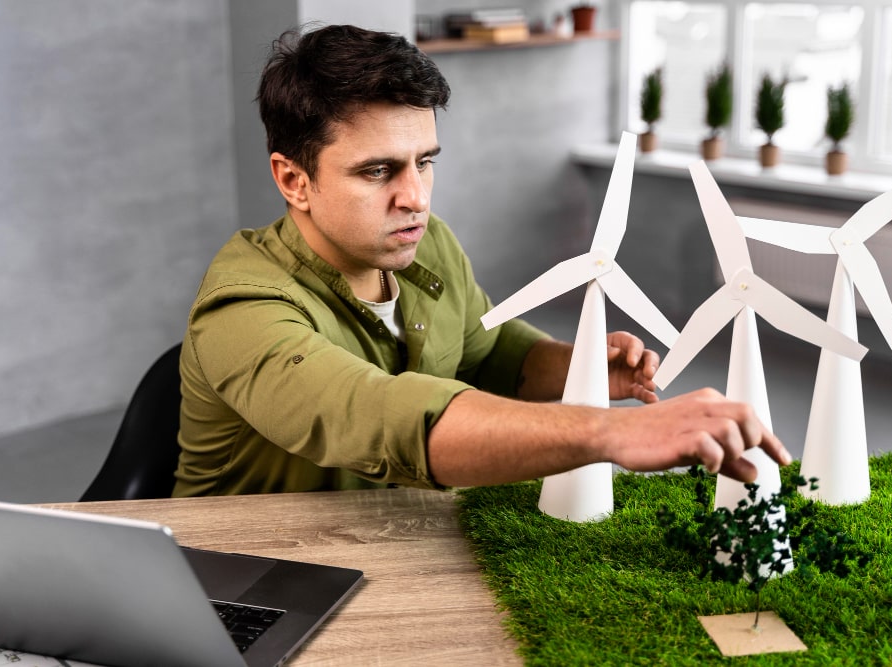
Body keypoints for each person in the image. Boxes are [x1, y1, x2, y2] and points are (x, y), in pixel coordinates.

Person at [172, 24, 790, 498]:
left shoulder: (425, 241)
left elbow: (487, 353)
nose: (413, 196)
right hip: (245, 580)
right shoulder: (242, 308)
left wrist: (578, 370)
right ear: (294, 179)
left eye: (425, 161)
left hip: (384, 550)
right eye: (377, 170)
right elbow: (380, 414)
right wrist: (611, 432)